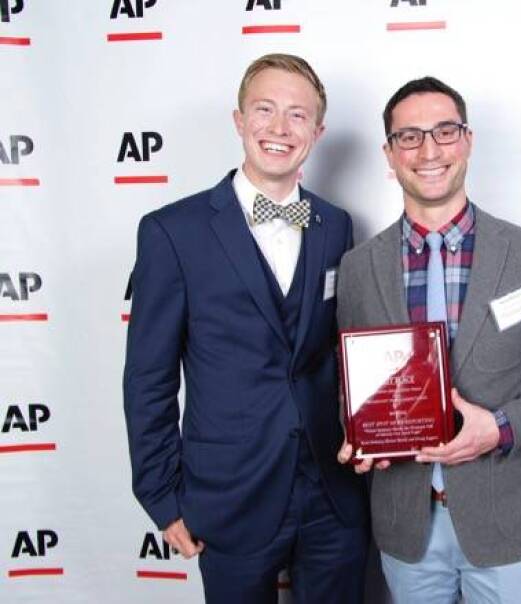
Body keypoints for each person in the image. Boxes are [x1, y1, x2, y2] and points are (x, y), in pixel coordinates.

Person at [336, 76, 521, 603]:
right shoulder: (359, 268)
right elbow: (351, 384)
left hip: (504, 519)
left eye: (445, 131)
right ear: (389, 153)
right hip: (405, 524)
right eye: (409, 137)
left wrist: (498, 428)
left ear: (468, 141)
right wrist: (360, 436)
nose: (429, 150)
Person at [123, 53, 368, 604]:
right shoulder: (172, 231)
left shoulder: (336, 225)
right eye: (265, 109)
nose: (280, 129)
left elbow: (339, 350)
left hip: (333, 491)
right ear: (239, 120)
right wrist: (162, 496)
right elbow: (148, 379)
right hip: (228, 494)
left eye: (298, 115)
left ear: (318, 131)